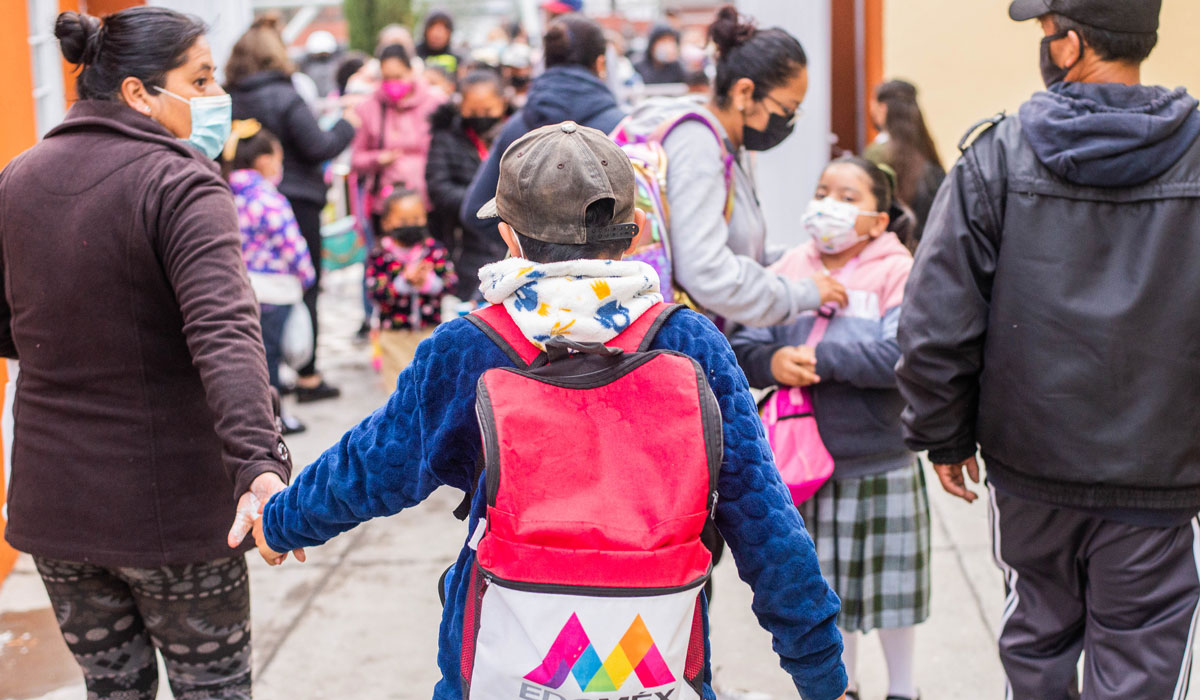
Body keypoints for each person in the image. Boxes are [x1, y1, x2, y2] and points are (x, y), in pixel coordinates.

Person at [252, 121, 849, 700]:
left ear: (508, 237)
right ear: (638, 232)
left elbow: (375, 465)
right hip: (654, 658)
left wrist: (282, 521)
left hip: (503, 655)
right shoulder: (690, 343)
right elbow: (766, 521)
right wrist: (821, 674)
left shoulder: (472, 347)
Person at [896, 1, 1200, 699]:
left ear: (1068, 46)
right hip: (1160, 477)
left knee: (1036, 645)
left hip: (1030, 468)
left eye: (1044, 33)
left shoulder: (996, 156)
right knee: (1145, 665)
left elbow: (935, 319)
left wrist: (943, 436)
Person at [0, 8, 293, 698]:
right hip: (173, 513)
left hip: (54, 509)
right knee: (213, 688)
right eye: (199, 79)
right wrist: (258, 464)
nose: (215, 98)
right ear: (138, 92)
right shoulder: (181, 185)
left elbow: (6, 327)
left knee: (111, 687)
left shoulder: (18, 178)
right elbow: (227, 334)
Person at [732, 157, 925, 700]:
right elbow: (742, 346)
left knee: (894, 591)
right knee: (826, 589)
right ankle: (846, 688)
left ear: (878, 220)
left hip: (878, 455)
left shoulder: (897, 270)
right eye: (822, 191)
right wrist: (774, 362)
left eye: (846, 196)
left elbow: (902, 356)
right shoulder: (790, 265)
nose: (827, 204)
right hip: (801, 464)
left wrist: (816, 357)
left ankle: (904, 689)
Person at [618, 5, 845, 327]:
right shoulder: (697, 147)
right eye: (788, 108)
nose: (790, 121)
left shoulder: (722, 143)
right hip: (682, 341)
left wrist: (798, 260)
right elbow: (706, 271)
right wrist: (801, 294)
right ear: (744, 92)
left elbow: (735, 245)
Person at [227, 23, 356, 403]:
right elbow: (318, 146)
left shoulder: (226, 96)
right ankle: (307, 374)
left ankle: (266, 374)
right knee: (305, 288)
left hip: (240, 202)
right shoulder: (286, 96)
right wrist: (348, 124)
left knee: (250, 290)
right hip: (295, 202)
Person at [460, 14, 625, 298]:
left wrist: (529, 245)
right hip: (606, 291)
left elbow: (475, 212)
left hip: (527, 292)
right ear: (600, 64)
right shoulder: (621, 127)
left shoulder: (519, 126)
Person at [223, 119, 317, 435]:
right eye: (278, 159)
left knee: (255, 359)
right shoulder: (269, 198)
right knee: (272, 360)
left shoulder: (224, 196)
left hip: (243, 288)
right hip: (276, 291)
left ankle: (260, 419)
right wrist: (306, 276)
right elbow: (291, 243)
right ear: (264, 161)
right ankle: (274, 420)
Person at [426, 70, 511, 297]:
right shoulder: (446, 137)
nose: (480, 116)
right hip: (463, 241)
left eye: (487, 111)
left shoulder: (516, 134)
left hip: (511, 238)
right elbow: (439, 187)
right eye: (473, 111)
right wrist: (481, 204)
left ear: (502, 103)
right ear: (460, 105)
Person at [367, 189, 455, 388]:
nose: (411, 225)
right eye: (403, 221)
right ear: (387, 222)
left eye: (416, 219)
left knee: (430, 385)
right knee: (398, 388)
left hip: (430, 330)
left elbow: (450, 283)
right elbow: (375, 292)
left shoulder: (435, 250)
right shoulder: (380, 255)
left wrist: (427, 282)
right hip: (394, 335)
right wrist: (404, 281)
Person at [350, 42, 445, 227]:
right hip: (387, 207)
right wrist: (378, 158)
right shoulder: (368, 108)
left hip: (428, 203)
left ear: (411, 71)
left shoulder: (435, 104)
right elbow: (356, 159)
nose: (393, 83)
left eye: (398, 76)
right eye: (387, 78)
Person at [864, 80, 945, 247]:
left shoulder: (876, 154)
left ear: (883, 108)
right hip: (928, 250)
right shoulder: (928, 152)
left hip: (885, 251)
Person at [417, 9, 461, 76]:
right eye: (433, 29)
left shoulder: (458, 59)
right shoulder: (414, 54)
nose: (437, 34)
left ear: (449, 33)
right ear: (426, 31)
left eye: (441, 30)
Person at [300, 29, 341, 98]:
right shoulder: (306, 65)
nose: (322, 56)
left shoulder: (337, 62)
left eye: (325, 54)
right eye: (319, 54)